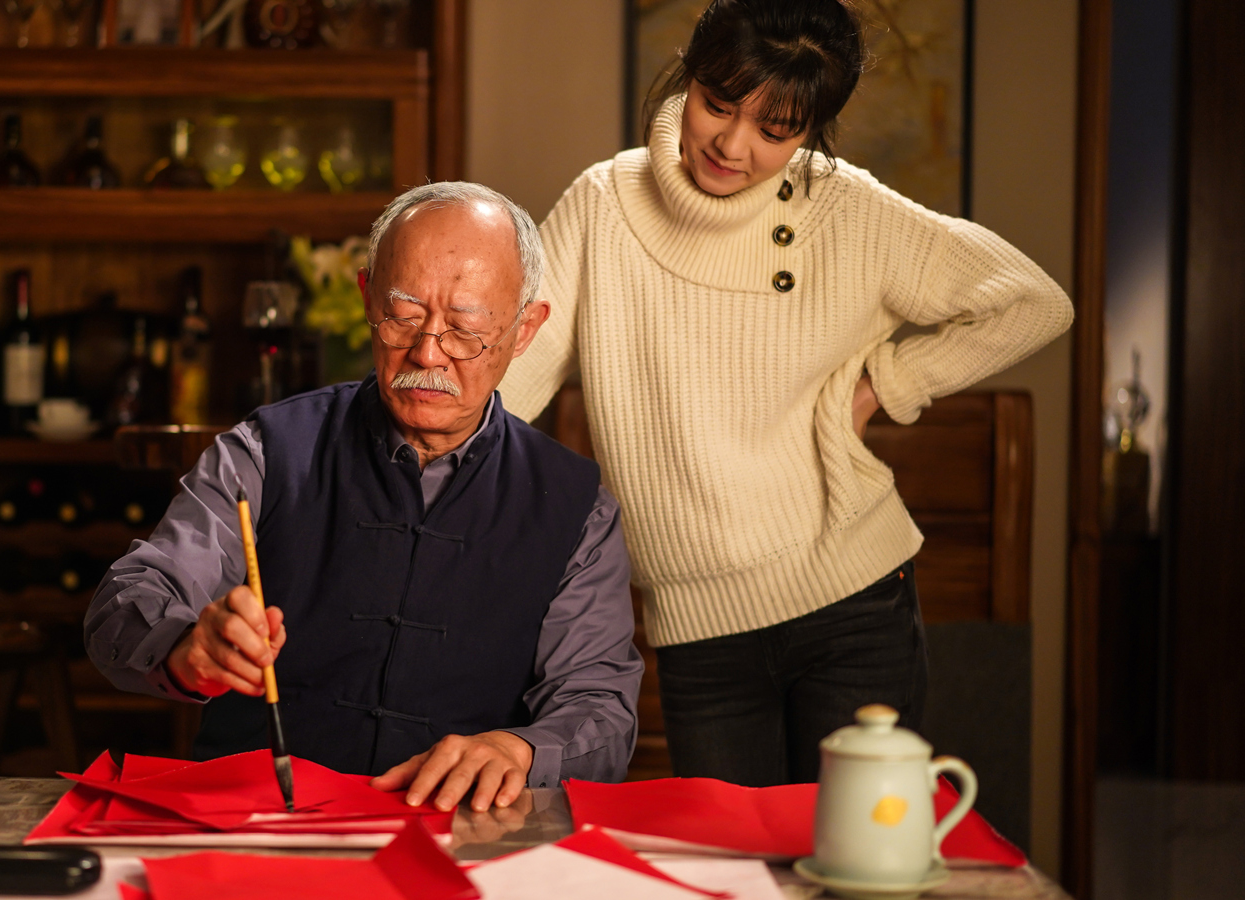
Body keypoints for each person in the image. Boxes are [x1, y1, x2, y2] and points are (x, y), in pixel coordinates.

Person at [497, 0, 1074, 787]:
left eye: (776, 130)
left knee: (852, 869)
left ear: (812, 130)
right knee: (742, 874)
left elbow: (1034, 300)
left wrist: (885, 384)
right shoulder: (605, 204)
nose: (732, 146)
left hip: (854, 606)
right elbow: (511, 380)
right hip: (699, 632)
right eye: (719, 105)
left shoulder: (848, 210)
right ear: (689, 78)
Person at [86, 182, 642, 814]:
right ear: (366, 298)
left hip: (456, 839)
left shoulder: (575, 508)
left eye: (466, 329)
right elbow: (124, 604)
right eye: (402, 316)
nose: (427, 352)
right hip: (260, 827)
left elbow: (600, 710)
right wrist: (186, 650)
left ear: (523, 330)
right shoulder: (267, 452)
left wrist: (522, 751)